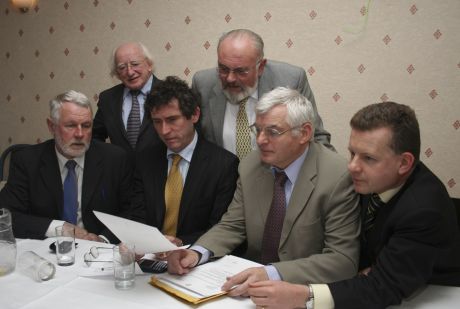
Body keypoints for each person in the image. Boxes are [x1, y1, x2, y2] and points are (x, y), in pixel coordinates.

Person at [248, 102, 460, 309]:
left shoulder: (423, 210)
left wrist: (305, 296)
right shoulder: (373, 181)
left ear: (404, 163)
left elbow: (382, 288)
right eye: (352, 153)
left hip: (435, 295)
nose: (352, 166)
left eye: (368, 158)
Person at [167, 87, 360, 295]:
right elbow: (233, 224)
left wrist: (272, 273)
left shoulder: (337, 177)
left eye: (273, 132)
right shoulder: (251, 165)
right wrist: (197, 252)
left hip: (302, 293)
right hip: (249, 290)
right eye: (258, 130)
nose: (260, 140)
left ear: (304, 133)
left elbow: (342, 260)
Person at [0, 90, 133, 243]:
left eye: (86, 126)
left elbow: (129, 211)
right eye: (70, 125)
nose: (80, 134)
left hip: (99, 252)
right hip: (47, 250)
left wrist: (103, 239)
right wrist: (59, 228)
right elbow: (6, 216)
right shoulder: (27, 160)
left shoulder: (115, 159)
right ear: (52, 126)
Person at [192, 29, 334, 160]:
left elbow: (316, 137)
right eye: (223, 69)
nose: (230, 78)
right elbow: (193, 139)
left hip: (276, 180)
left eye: (241, 71)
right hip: (222, 182)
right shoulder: (203, 84)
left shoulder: (291, 80)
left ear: (260, 67)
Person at [130, 76, 239, 246]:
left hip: (197, 257)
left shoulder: (223, 165)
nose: (164, 131)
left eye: (172, 120)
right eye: (157, 122)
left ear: (194, 115)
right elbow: (138, 215)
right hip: (149, 255)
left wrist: (181, 242)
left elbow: (220, 229)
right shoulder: (145, 159)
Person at [92, 42, 160, 160]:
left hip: (162, 174)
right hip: (120, 176)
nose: (130, 72)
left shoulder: (169, 92)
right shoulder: (107, 99)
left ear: (149, 64)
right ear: (117, 73)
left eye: (135, 64)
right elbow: (94, 136)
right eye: (122, 67)